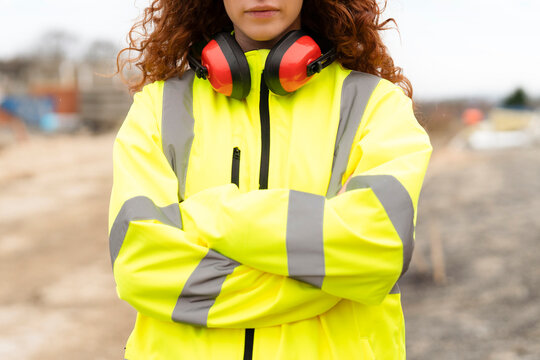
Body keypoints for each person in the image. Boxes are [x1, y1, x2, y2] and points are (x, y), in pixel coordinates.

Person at [109, 0, 432, 359]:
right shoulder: (157, 108)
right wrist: (328, 275)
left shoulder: (377, 106)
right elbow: (139, 264)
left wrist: (210, 214)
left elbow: (376, 251)